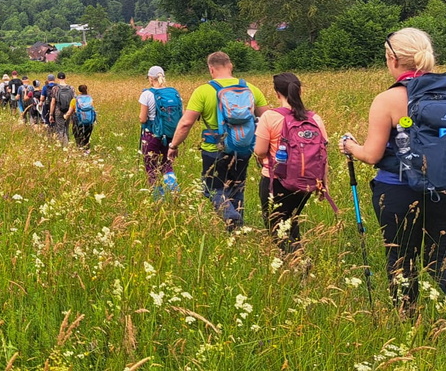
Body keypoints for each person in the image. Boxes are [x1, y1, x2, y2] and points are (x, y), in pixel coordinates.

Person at [339, 27, 446, 311]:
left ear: (392, 59)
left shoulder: (388, 99)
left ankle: (407, 318)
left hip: (398, 191)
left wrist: (350, 146)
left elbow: (372, 154)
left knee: (402, 257)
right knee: (445, 259)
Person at [167, 52, 269, 230]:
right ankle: (236, 231)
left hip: (214, 149)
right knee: (237, 189)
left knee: (213, 189)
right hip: (243, 147)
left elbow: (186, 123)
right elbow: (268, 119)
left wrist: (173, 145)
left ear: (211, 69)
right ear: (231, 66)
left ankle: (231, 217)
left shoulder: (204, 91)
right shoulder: (251, 89)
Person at [254, 72, 329, 253]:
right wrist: (323, 184)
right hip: (306, 181)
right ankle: (298, 259)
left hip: (275, 180)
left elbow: (260, 151)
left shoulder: (270, 117)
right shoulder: (314, 118)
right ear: (300, 91)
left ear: (277, 93)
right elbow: (322, 154)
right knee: (292, 219)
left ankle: (293, 266)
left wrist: (259, 158)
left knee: (276, 227)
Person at [139, 66, 179, 191]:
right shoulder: (174, 92)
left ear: (151, 78)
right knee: (167, 165)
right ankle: (174, 192)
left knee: (151, 167)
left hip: (152, 135)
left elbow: (143, 119)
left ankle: (158, 198)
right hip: (170, 136)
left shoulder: (147, 94)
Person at [64, 84, 95, 150]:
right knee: (87, 137)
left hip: (78, 120)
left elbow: (70, 112)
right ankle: (86, 151)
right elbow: (92, 110)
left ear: (79, 91)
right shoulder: (90, 99)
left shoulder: (74, 100)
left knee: (78, 137)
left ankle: (79, 149)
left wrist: (65, 117)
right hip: (89, 120)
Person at [48, 72, 74, 145]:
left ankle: (63, 146)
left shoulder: (55, 88)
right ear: (65, 78)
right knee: (66, 128)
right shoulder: (71, 88)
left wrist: (51, 114)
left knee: (60, 129)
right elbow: (74, 101)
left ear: (58, 78)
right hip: (68, 111)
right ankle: (67, 144)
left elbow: (53, 103)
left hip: (58, 111)